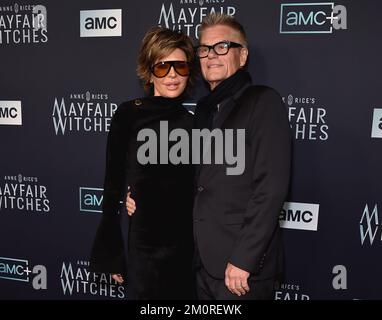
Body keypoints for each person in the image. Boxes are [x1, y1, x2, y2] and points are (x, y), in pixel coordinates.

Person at [127, 13, 291, 300]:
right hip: (199, 264)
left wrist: (244, 259)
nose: (211, 55)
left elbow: (271, 188)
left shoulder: (263, 102)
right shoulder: (203, 112)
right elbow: (190, 181)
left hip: (240, 271)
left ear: (243, 56)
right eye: (204, 49)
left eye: (222, 47)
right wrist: (143, 195)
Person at [90, 26, 196, 300]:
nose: (172, 75)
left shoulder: (196, 123)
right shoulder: (128, 114)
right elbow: (112, 183)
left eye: (180, 66)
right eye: (162, 67)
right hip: (145, 245)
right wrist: (112, 252)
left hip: (187, 245)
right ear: (149, 72)